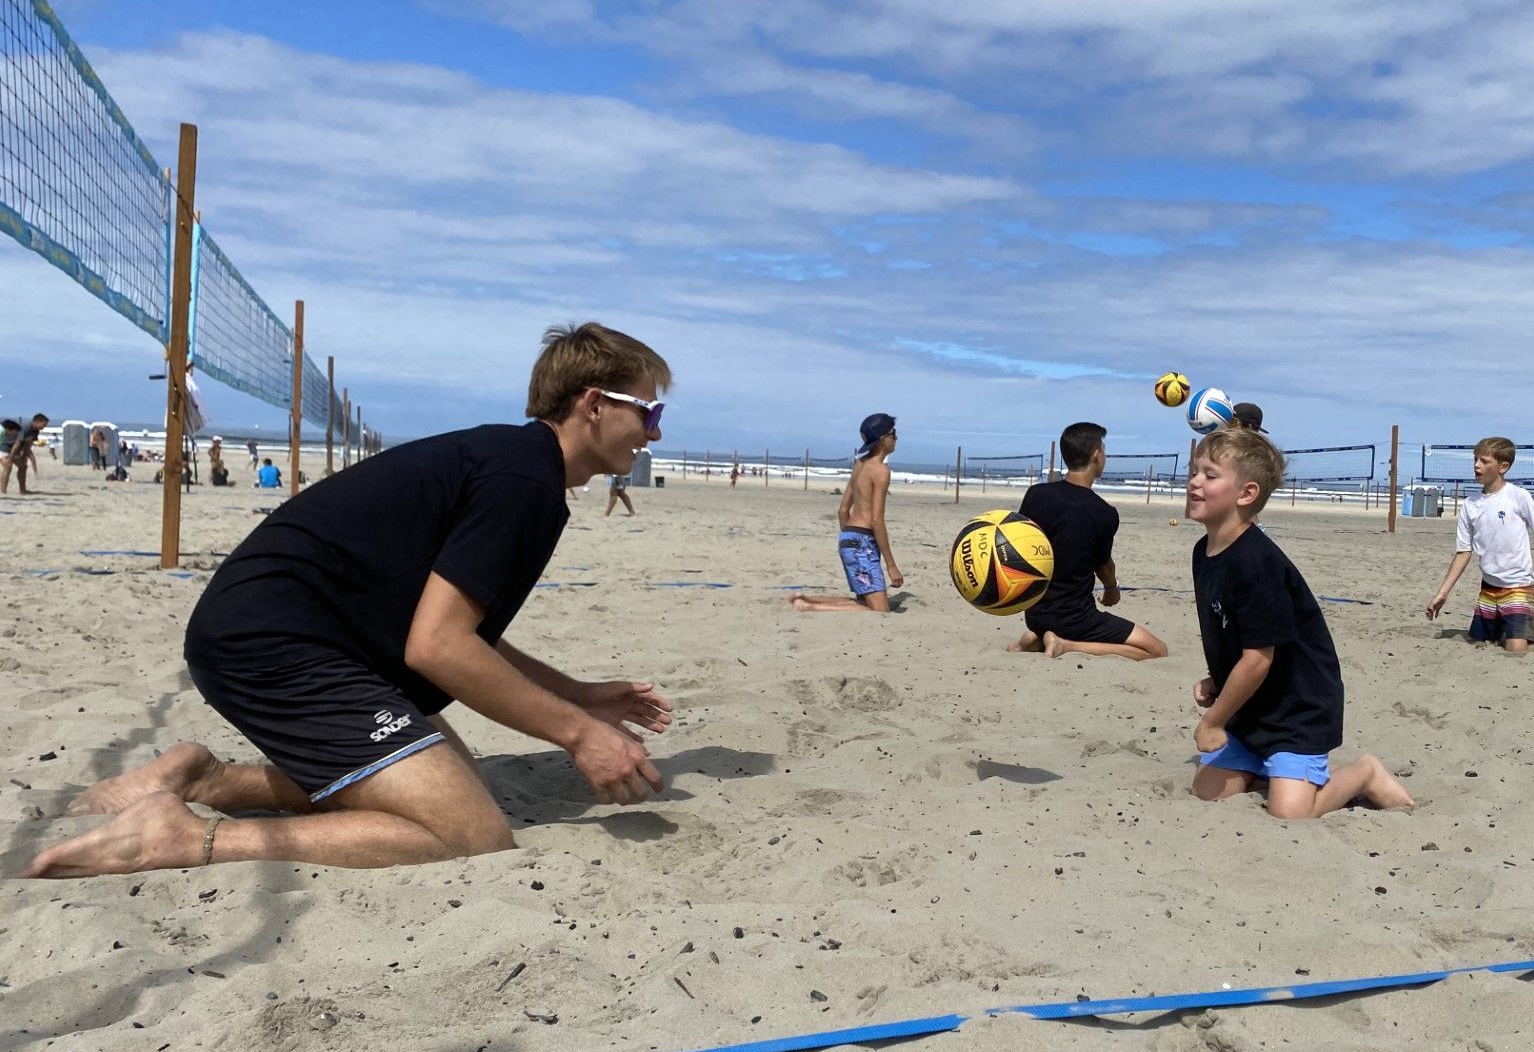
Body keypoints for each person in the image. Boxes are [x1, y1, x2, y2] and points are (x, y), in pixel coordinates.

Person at [24, 321, 676, 878]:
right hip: (276, 643)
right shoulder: (522, 481)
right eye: (648, 413)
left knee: (459, 789)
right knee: (470, 831)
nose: (653, 434)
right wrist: (578, 734)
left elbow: (460, 629)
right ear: (594, 404)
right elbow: (438, 647)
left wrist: (577, 696)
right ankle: (185, 837)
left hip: (301, 633)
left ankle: (203, 780)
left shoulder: (517, 466)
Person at [1186, 427, 1412, 820]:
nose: (1194, 482)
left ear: (1246, 494)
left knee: (1290, 813)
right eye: (1194, 471)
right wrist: (1218, 680)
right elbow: (1235, 634)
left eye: (1210, 475)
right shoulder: (1203, 552)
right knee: (1206, 792)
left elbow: (1258, 658)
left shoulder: (1255, 562)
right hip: (1254, 708)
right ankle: (1269, 770)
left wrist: (1213, 720)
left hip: (1297, 708)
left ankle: (1365, 773)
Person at [1008, 421, 1167, 661]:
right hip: (1075, 618)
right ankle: (1066, 645)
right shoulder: (1104, 512)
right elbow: (1103, 566)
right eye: (1104, 450)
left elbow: (1019, 545)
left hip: (1035, 613)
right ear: (1096, 455)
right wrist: (1112, 589)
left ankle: (1036, 640)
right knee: (1156, 650)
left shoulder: (1036, 495)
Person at [1425, 437, 1534, 652]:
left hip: (1519, 585)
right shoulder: (1470, 505)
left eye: (1484, 461)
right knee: (1482, 642)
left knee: (1515, 649)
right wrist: (1442, 594)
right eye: (1475, 460)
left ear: (1503, 467)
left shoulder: (1518, 496)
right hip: (1489, 587)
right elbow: (1463, 552)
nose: (1476, 465)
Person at [788, 413, 904, 613]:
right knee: (880, 610)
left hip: (848, 537)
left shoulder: (859, 465)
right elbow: (877, 520)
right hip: (863, 541)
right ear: (883, 439)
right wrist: (891, 565)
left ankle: (805, 599)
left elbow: (843, 510)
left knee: (865, 600)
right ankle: (808, 606)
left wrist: (849, 542)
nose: (897, 437)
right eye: (893, 433)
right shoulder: (881, 471)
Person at [4, 413, 49, 494]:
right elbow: (16, 445)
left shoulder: (36, 431)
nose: (44, 427)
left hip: (16, 450)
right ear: (36, 422)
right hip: (5, 447)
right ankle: (3, 491)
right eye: (44, 424)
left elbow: (28, 445)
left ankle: (22, 490)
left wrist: (24, 456)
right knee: (8, 467)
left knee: (23, 467)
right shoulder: (26, 428)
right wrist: (10, 459)